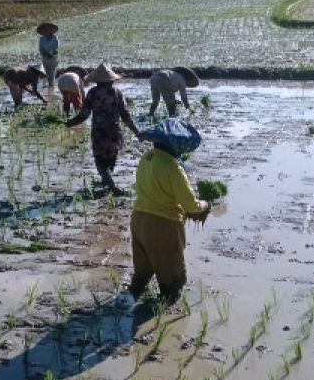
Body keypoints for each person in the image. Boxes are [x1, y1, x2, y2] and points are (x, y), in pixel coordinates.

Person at [129, 118, 210, 303]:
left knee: (142, 272)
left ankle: (129, 303)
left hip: (139, 219)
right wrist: (204, 205)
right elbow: (190, 204)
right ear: (176, 145)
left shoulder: (146, 158)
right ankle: (162, 317)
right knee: (173, 279)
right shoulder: (173, 167)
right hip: (163, 225)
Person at [65, 63, 139, 195]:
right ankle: (107, 181)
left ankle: (112, 187)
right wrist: (136, 131)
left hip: (100, 132)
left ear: (97, 81)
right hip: (114, 131)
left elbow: (84, 114)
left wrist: (71, 122)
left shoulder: (93, 93)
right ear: (111, 80)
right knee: (111, 158)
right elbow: (125, 115)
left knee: (100, 161)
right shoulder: (117, 93)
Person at [36, 22, 59, 89]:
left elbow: (56, 48)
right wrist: (46, 54)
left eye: (48, 29)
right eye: (45, 30)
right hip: (45, 58)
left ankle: (51, 87)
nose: (47, 31)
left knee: (52, 73)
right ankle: (46, 87)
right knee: (45, 73)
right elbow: (41, 49)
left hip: (53, 58)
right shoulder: (42, 39)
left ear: (52, 30)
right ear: (43, 31)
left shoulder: (55, 38)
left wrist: (51, 54)